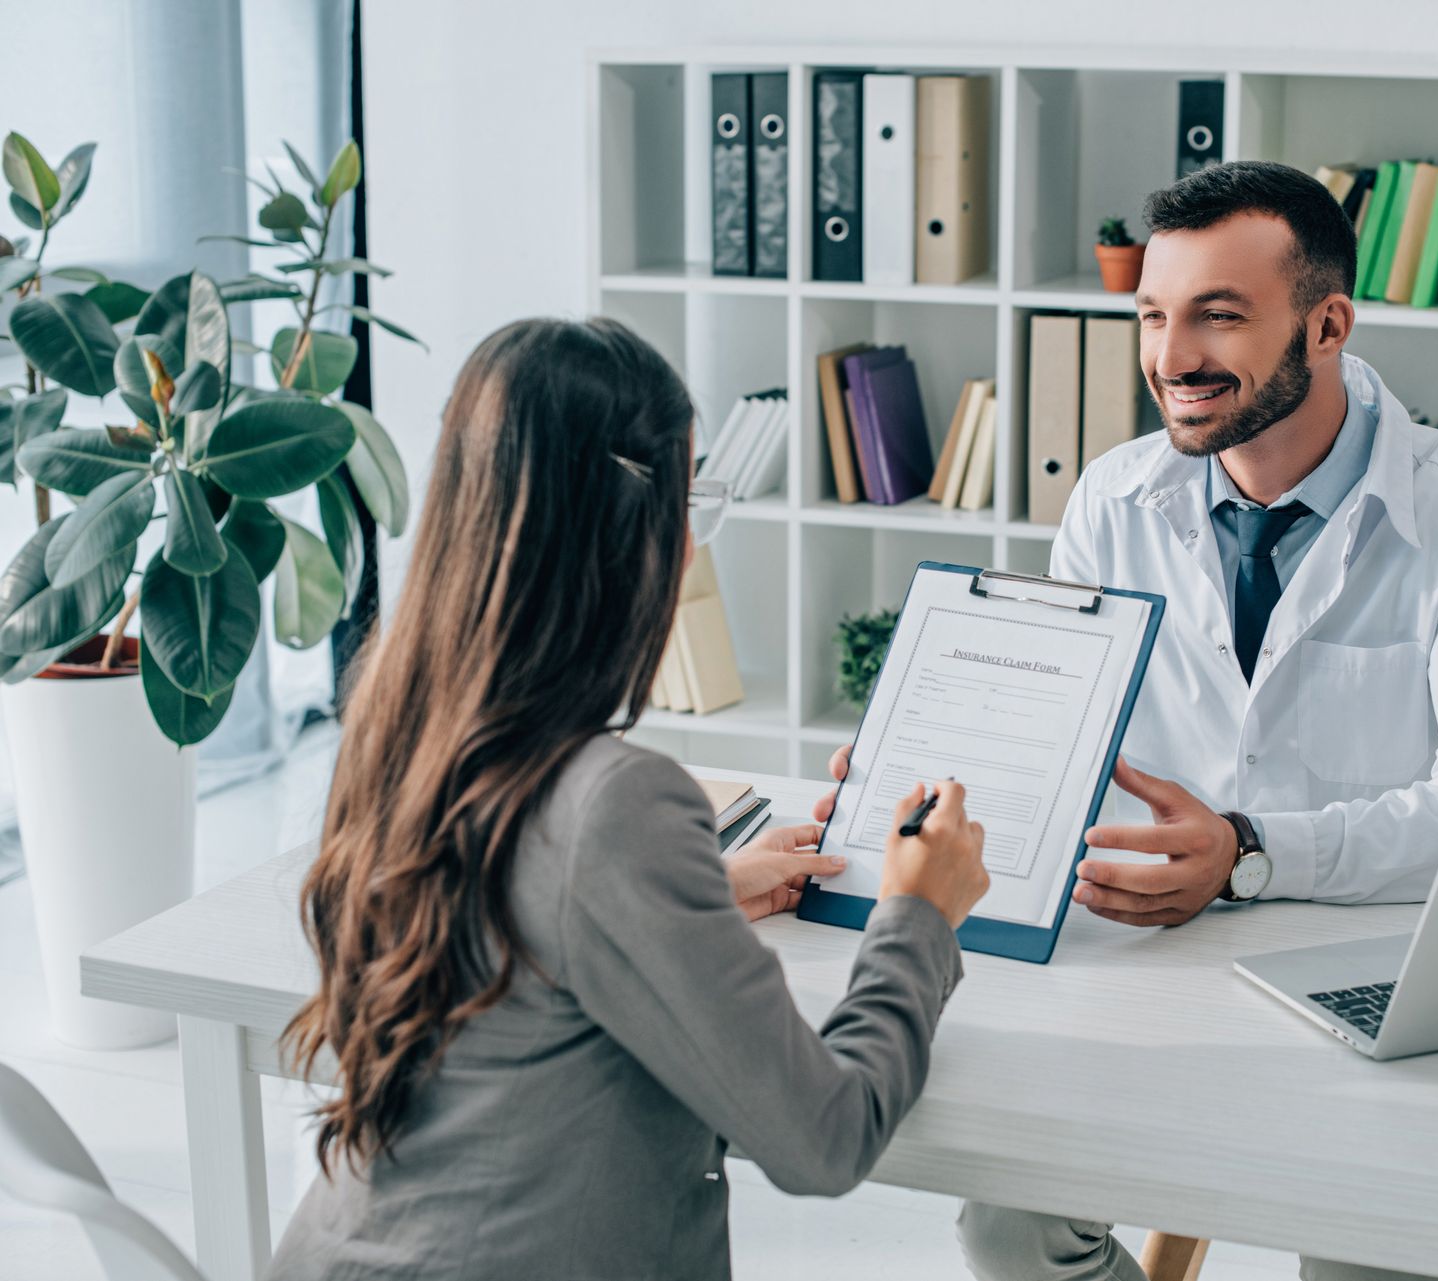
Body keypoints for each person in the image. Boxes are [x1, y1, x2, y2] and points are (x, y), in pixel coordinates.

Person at [815, 161, 1438, 1280]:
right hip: (1149, 974)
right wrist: (911, 781)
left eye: (1220, 317)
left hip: (1366, 977)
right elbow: (1062, 731)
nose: (1172, 359)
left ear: (1327, 323)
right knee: (1007, 1221)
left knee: (1379, 1254)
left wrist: (1248, 853)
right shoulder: (1113, 500)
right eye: (1154, 317)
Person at [268, 317, 990, 1281]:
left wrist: (694, 895)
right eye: (690, 501)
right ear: (628, 530)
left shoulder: (394, 729)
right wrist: (918, 914)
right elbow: (824, 1137)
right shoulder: (615, 803)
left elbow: (514, 929)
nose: (694, 547)